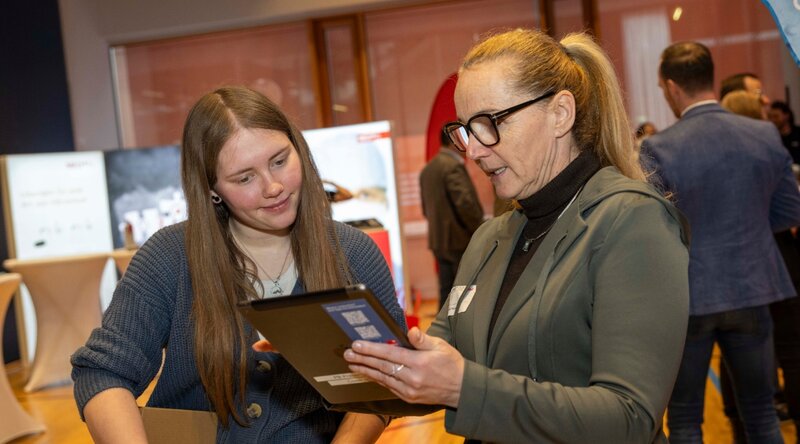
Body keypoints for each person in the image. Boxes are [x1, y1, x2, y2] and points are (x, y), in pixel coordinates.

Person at [345, 28, 691, 443]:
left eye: (489, 123)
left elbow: (628, 418)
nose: (473, 150)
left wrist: (462, 388)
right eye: (465, 130)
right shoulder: (491, 238)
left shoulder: (630, 221)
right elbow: (430, 362)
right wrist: (324, 354)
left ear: (561, 113)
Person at [71, 86, 404, 443]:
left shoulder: (354, 254)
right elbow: (104, 373)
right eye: (244, 178)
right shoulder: (169, 257)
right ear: (212, 189)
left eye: (280, 161)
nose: (273, 186)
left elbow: (384, 383)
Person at [641, 42, 800, 444]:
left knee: (684, 418)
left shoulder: (659, 147)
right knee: (763, 413)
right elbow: (788, 212)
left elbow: (653, 229)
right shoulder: (763, 133)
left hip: (689, 295)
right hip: (752, 287)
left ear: (672, 87)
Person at [722, 89, 800, 442]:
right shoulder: (771, 148)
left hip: (739, 271)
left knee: (738, 356)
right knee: (791, 353)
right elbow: (790, 212)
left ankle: (740, 430)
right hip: (782, 262)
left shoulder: (725, 155)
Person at [419, 128, 484, 308]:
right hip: (458, 239)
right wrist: (479, 229)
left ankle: (445, 332)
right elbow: (465, 204)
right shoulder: (452, 166)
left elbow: (425, 209)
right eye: (461, 139)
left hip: (438, 240)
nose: (465, 145)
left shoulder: (428, 169)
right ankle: (461, 334)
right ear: (451, 141)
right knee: (464, 293)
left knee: (446, 291)